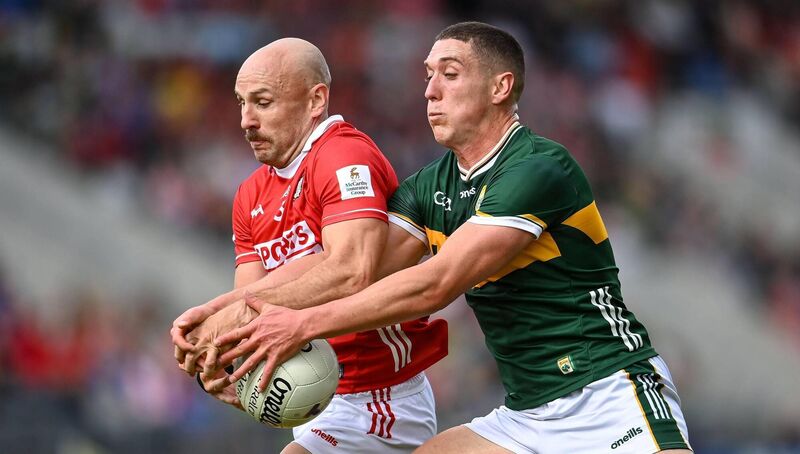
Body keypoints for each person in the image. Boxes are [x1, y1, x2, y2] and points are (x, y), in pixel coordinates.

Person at [212, 23, 693, 454]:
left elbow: (435, 284)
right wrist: (228, 326)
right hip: (525, 416)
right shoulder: (427, 189)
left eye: (450, 74)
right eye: (427, 75)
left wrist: (300, 324)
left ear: (500, 87)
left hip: (609, 390)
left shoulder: (539, 167)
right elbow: (355, 271)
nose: (430, 91)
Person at [170, 38, 448, 454]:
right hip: (311, 398)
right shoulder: (249, 195)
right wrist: (220, 359)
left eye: (262, 102)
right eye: (241, 103)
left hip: (381, 398)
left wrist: (226, 317)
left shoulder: (343, 156)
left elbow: (353, 270)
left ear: (315, 99)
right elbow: (253, 302)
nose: (246, 120)